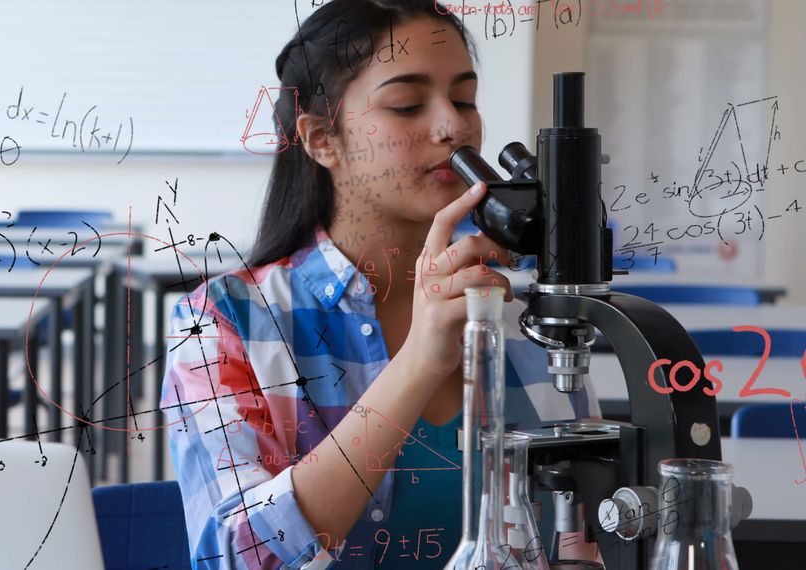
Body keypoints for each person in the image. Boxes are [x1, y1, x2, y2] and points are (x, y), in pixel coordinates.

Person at [160, 1, 600, 568]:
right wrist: (418, 361)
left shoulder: (526, 322)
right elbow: (240, 558)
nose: (452, 126)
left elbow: (582, 544)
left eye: (464, 99)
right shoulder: (224, 322)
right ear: (322, 139)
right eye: (406, 104)